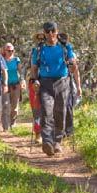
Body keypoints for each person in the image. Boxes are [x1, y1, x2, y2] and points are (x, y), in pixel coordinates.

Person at [31, 22, 82, 156]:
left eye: (53, 31)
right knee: (47, 112)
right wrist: (34, 81)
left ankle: (57, 141)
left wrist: (73, 65)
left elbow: (72, 64)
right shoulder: (38, 49)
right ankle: (47, 141)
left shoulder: (66, 47)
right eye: (47, 32)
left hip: (63, 82)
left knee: (60, 112)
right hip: (45, 83)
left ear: (57, 32)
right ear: (44, 33)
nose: (51, 34)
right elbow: (34, 68)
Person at [1, 42, 24, 130]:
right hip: (5, 86)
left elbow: (20, 71)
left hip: (15, 85)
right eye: (9, 50)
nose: (10, 52)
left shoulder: (16, 59)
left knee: (15, 106)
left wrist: (22, 80)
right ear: (5, 51)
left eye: (12, 50)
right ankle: (5, 125)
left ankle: (13, 122)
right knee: (5, 105)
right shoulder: (1, 59)